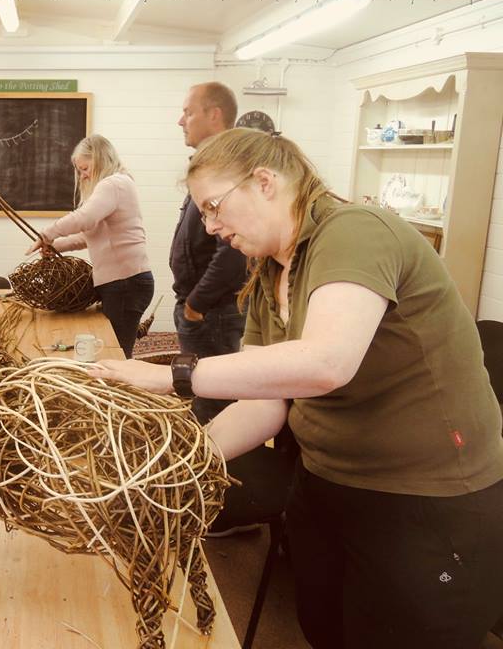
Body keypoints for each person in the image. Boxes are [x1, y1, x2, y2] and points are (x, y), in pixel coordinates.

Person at [91, 128, 503, 649]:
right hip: (328, 482)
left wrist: (175, 374)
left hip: (426, 503)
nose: (212, 227)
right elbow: (266, 403)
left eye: (215, 207)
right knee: (326, 628)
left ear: (264, 182)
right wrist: (180, 468)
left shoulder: (356, 231)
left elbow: (327, 362)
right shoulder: (270, 273)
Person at [28, 135, 153, 358]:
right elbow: (90, 236)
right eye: (80, 170)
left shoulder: (114, 183)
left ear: (100, 158)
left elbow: (85, 218)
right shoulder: (117, 184)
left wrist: (46, 234)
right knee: (116, 350)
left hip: (126, 284)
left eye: (85, 168)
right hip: (124, 284)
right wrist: (56, 246)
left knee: (117, 354)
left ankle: (119, 391)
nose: (83, 175)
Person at [173, 81, 246, 423]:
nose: (180, 120)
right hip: (206, 309)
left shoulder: (228, 168)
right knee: (203, 399)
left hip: (213, 311)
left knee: (214, 404)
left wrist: (195, 304)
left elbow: (232, 252)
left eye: (188, 112)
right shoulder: (213, 164)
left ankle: (216, 469)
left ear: (214, 115)